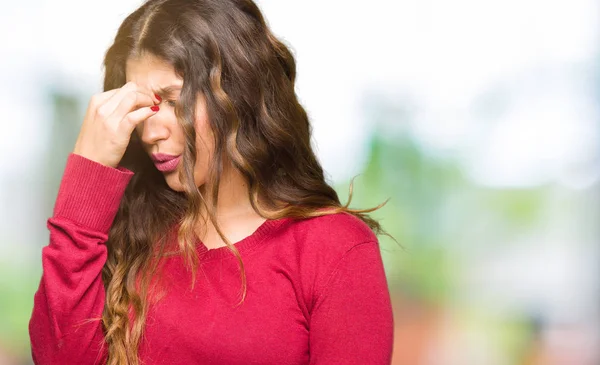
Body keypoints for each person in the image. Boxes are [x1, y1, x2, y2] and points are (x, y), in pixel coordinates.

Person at [28, 0, 394, 364]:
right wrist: (88, 171)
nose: (150, 132)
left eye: (174, 100)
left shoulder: (334, 248)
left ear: (239, 93)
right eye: (140, 108)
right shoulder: (135, 234)